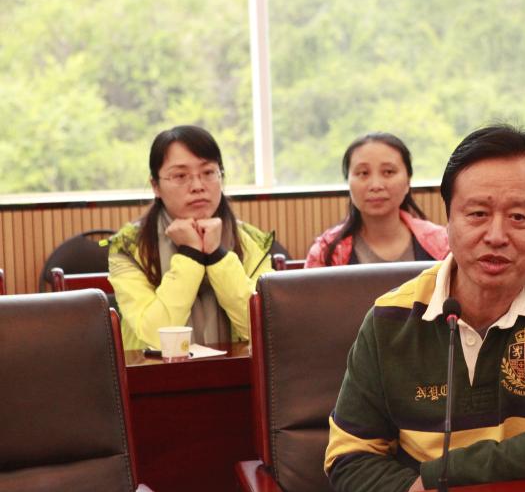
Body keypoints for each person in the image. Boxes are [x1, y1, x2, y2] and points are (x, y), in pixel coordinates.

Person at [324, 124, 525, 492]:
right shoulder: (391, 317)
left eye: (518, 217)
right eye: (478, 213)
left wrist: (437, 480)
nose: (496, 235)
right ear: (448, 221)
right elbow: (348, 458)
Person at [108, 125, 274, 350]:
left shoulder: (251, 241)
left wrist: (217, 256)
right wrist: (191, 255)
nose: (197, 186)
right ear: (155, 186)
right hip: (153, 370)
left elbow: (264, 327)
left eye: (208, 173)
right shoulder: (128, 248)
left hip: (240, 369)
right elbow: (155, 337)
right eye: (180, 176)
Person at [305, 133, 448, 267]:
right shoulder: (325, 253)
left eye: (388, 172)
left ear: (408, 181)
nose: (376, 185)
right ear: (348, 181)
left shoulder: (444, 243)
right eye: (363, 173)